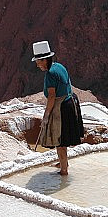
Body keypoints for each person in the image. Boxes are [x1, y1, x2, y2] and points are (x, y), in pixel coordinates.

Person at [32, 40, 84, 175]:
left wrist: (46, 115)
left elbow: (51, 97)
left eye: (38, 61)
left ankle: (64, 170)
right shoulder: (59, 66)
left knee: (60, 139)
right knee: (63, 137)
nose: (37, 65)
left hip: (61, 108)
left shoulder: (50, 74)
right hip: (70, 101)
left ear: (44, 60)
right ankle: (63, 161)